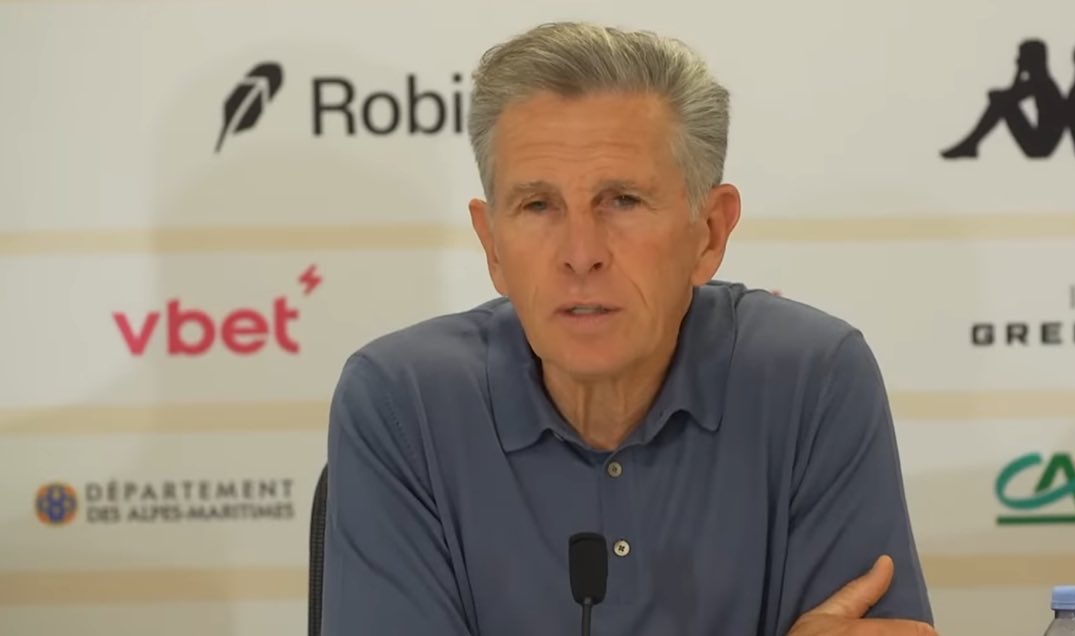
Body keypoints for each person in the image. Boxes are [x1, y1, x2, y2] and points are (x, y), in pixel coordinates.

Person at [322, 21, 935, 636]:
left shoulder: (812, 380)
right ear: (493, 245)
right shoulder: (402, 402)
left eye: (623, 201)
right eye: (538, 206)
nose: (581, 254)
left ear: (710, 233)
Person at [942, 39, 1067, 158]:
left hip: (1039, 148)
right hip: (1040, 145)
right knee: (1002, 102)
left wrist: (1018, 71)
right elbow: (1012, 94)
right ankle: (971, 143)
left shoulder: (1042, 83)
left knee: (1000, 103)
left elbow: (1011, 95)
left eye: (1022, 56)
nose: (1017, 59)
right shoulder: (1041, 81)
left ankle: (971, 143)